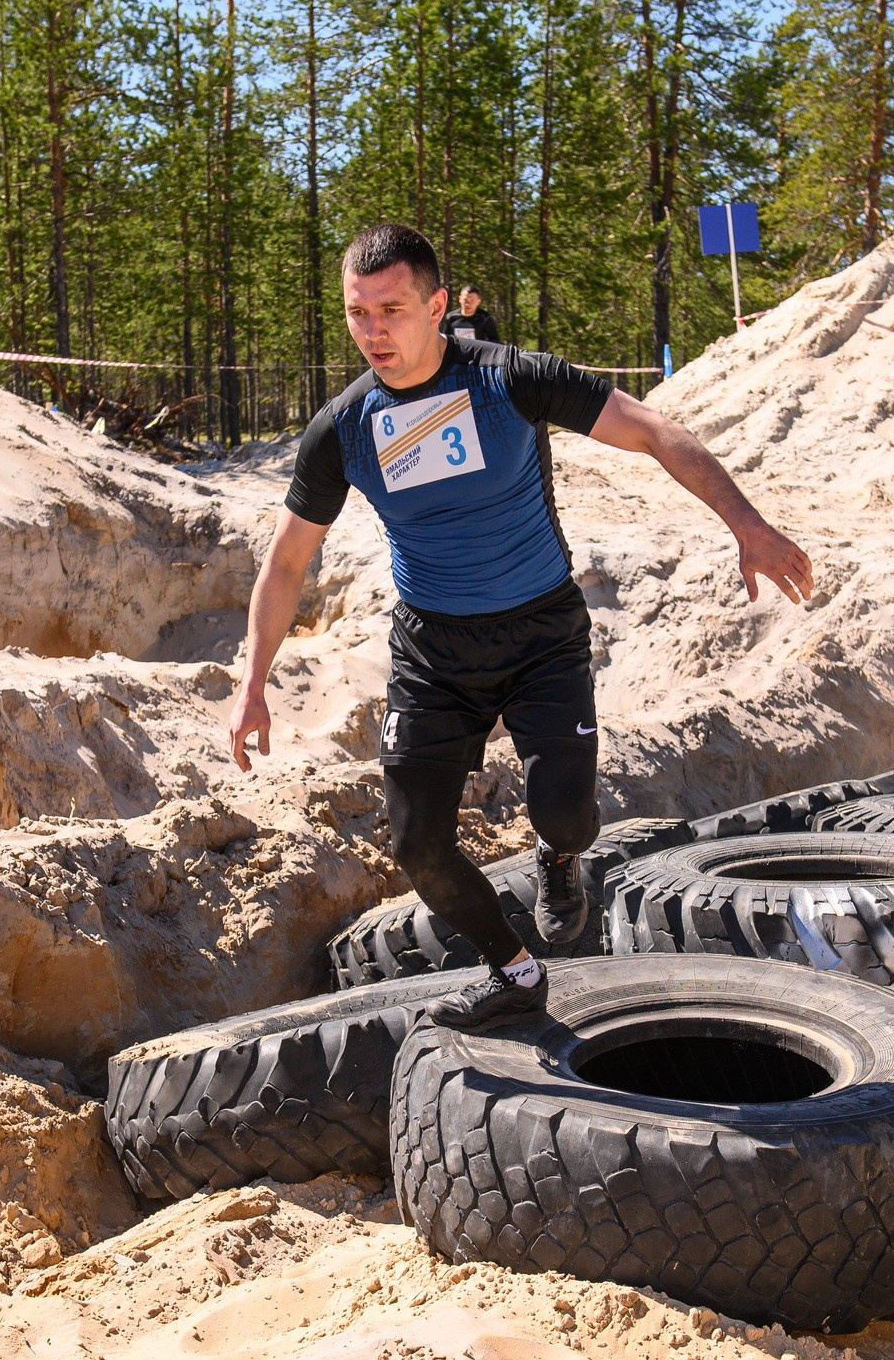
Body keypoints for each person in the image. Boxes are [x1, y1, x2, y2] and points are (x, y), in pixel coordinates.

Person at [228, 223, 811, 1030]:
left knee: (563, 815)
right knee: (416, 842)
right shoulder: (345, 426)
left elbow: (652, 431)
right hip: (432, 651)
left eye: (391, 310)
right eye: (357, 313)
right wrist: (251, 684)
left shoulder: (510, 379)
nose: (372, 331)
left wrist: (747, 525)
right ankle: (514, 970)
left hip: (541, 633)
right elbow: (287, 561)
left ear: (437, 305)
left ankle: (557, 855)